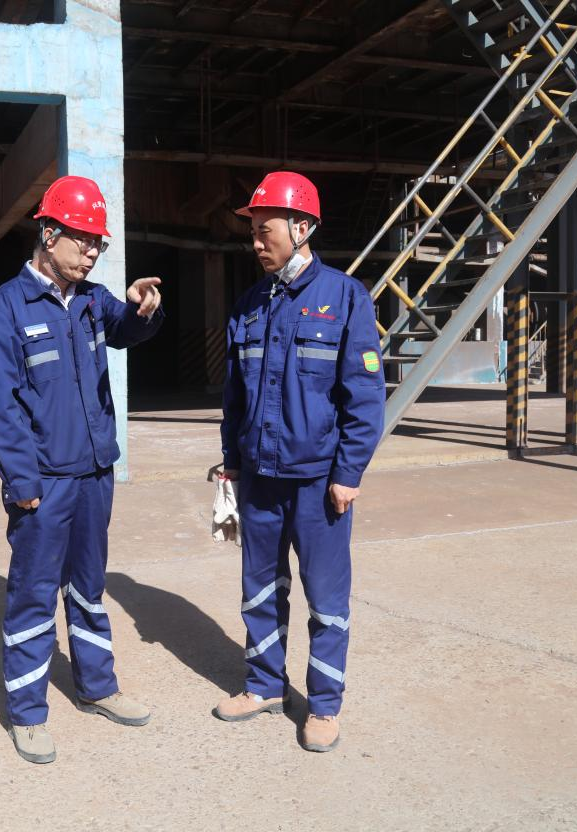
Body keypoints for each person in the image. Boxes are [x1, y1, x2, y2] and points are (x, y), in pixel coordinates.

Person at [0, 175, 163, 764]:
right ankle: (28, 713)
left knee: (89, 588)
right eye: (82, 239)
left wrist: (143, 310)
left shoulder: (91, 300)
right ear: (48, 233)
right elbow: (1, 405)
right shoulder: (7, 309)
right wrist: (21, 482)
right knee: (33, 595)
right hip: (43, 483)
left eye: (97, 243)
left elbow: (126, 330)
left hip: (93, 475)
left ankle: (97, 687)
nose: (91, 252)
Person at [215, 171, 385, 752]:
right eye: (253, 231)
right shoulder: (249, 305)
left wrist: (348, 473)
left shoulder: (344, 298)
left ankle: (325, 705)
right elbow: (234, 397)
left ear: (303, 227)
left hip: (318, 483)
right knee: (260, 589)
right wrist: (231, 462)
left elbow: (364, 398)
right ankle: (265, 685)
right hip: (260, 479)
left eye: (266, 230)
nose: (256, 242)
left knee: (326, 598)